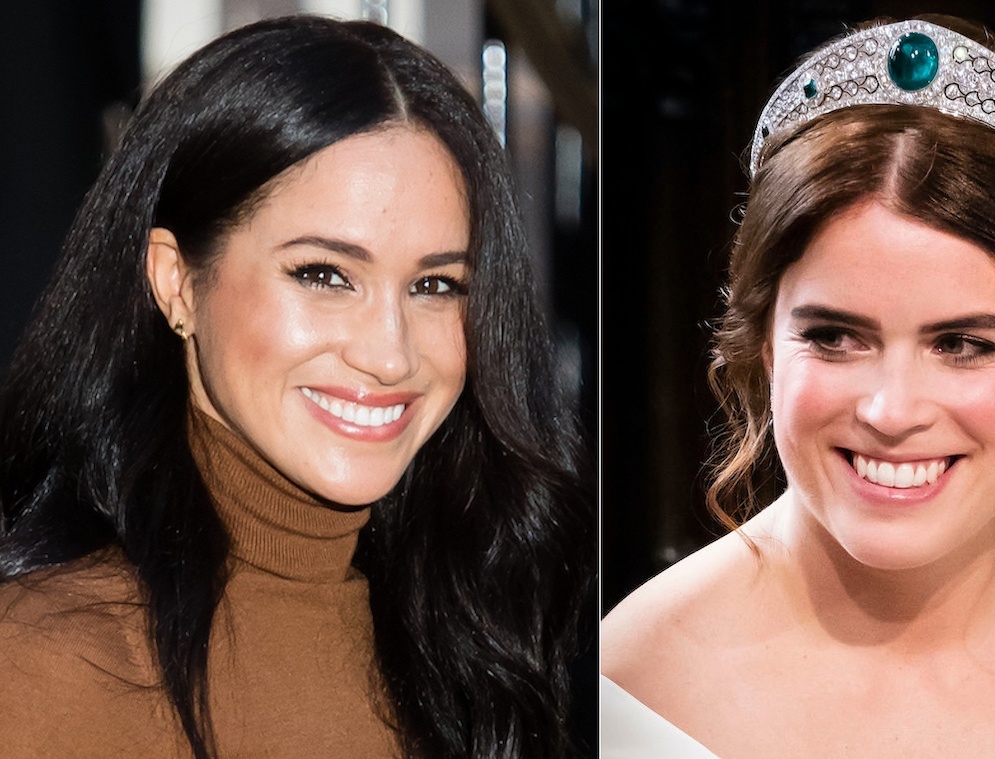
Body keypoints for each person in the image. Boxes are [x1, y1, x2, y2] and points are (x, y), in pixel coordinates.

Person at [601, 13, 995, 758]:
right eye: (834, 337)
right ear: (761, 339)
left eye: (961, 344)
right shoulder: (625, 688)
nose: (891, 411)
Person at [0, 14, 593, 759]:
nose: (389, 354)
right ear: (176, 282)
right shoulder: (38, 668)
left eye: (436, 285)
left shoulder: (483, 645)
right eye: (323, 274)